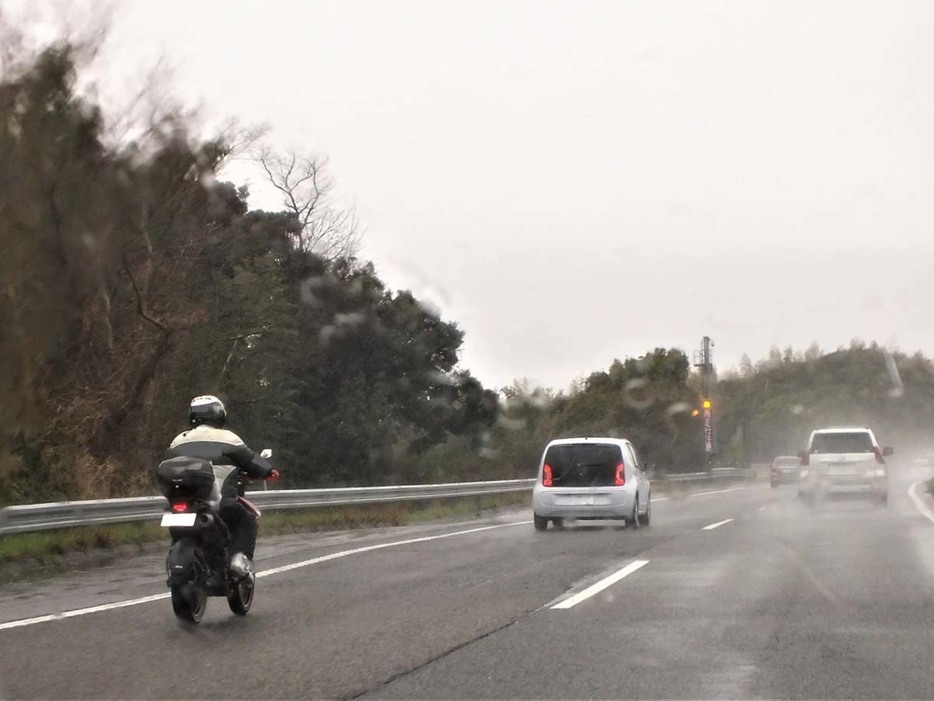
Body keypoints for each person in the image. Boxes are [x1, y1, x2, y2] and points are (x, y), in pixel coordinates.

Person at [165, 395, 278, 580]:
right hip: (218, 502)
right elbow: (253, 460)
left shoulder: (178, 441)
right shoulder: (229, 439)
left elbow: (166, 463)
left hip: (182, 502)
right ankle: (239, 561)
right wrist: (269, 469)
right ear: (218, 414)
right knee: (246, 520)